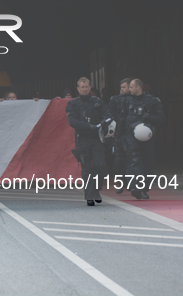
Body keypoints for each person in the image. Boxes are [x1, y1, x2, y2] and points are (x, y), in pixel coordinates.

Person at [65, 77, 111, 206]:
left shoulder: (98, 102)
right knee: (86, 168)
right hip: (83, 138)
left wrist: (103, 123)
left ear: (90, 88)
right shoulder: (73, 104)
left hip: (97, 138)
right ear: (78, 89)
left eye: (87, 87)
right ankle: (89, 196)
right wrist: (88, 126)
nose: (85, 89)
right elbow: (72, 121)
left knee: (99, 166)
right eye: (82, 87)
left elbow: (107, 115)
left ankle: (96, 191)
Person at [119, 79, 165, 200]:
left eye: (131, 87)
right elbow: (122, 118)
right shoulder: (126, 101)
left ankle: (144, 188)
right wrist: (118, 135)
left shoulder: (152, 101)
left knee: (147, 161)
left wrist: (149, 117)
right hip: (130, 135)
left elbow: (161, 117)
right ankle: (136, 187)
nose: (129, 89)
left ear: (138, 87)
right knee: (134, 159)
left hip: (147, 135)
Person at [108, 78, 132, 193]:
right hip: (119, 133)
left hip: (131, 133)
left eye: (124, 87)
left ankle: (130, 182)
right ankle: (120, 182)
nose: (121, 89)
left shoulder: (135, 99)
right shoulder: (115, 99)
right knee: (119, 160)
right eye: (121, 87)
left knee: (132, 159)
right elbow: (111, 115)